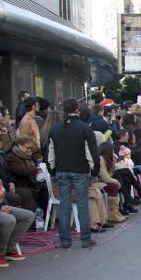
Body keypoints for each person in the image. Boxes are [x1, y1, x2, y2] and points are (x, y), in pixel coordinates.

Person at [47, 99, 99, 249]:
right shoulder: (84, 128)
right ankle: (85, 239)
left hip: (61, 170)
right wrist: (94, 170)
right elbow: (91, 152)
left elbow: (50, 153)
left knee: (64, 204)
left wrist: (52, 169)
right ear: (77, 110)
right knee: (82, 204)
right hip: (80, 170)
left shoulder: (55, 128)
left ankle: (65, 240)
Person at [0, 132, 34, 266]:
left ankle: (9, 249)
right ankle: (0, 253)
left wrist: (2, 202)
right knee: (8, 220)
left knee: (28, 215)